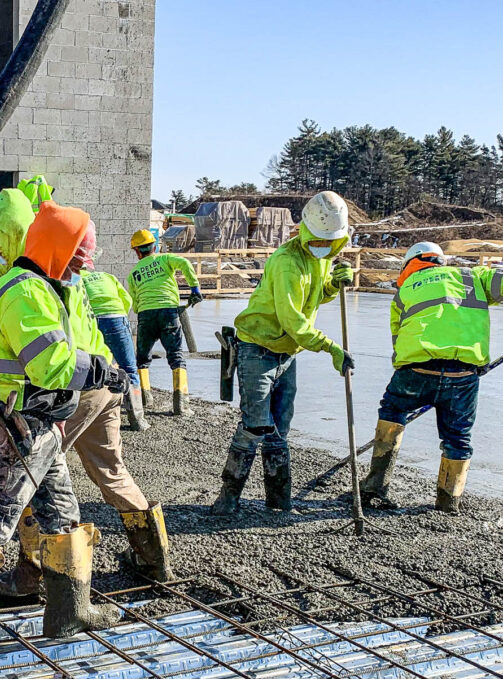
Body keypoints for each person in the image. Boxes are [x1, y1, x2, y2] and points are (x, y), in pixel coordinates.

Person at [0, 190, 175, 594]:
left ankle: (30, 576)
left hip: (75, 387)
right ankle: (152, 559)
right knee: (108, 474)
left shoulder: (33, 285)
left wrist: (79, 388)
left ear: (14, 235)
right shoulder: (48, 278)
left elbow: (53, 363)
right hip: (101, 383)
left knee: (25, 487)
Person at [0, 201, 133, 652]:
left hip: (42, 426)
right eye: (79, 256)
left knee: (62, 513)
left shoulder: (46, 288)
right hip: (16, 427)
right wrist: (104, 371)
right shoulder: (24, 292)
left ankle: (69, 611)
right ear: (59, 249)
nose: (82, 266)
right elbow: (49, 365)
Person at [211, 191, 355, 515]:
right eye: (321, 240)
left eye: (331, 242)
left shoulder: (320, 260)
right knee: (255, 425)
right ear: (306, 231)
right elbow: (293, 320)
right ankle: (227, 499)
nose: (326, 247)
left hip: (287, 355)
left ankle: (279, 502)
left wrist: (331, 286)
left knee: (280, 429)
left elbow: (311, 300)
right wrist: (330, 347)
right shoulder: (288, 262)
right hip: (258, 350)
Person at [360, 242, 503, 514]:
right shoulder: (471, 276)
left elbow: (398, 341)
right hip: (463, 374)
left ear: (409, 264)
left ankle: (375, 486)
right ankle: (449, 502)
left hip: (417, 369)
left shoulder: (404, 292)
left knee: (393, 410)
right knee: (458, 437)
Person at [128, 230, 202, 416]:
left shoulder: (134, 274)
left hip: (146, 315)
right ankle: (181, 405)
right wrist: (194, 288)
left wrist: (145, 313)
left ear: (137, 252)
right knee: (176, 355)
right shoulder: (165, 260)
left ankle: (145, 399)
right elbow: (185, 263)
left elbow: (134, 302)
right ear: (155, 247)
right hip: (169, 312)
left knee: (142, 359)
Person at [83, 266, 150, 431]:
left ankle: (96, 416)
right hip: (116, 318)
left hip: (93, 321)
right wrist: (122, 318)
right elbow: (126, 299)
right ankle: (137, 419)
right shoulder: (106, 276)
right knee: (129, 368)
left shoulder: (77, 280)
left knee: (97, 369)